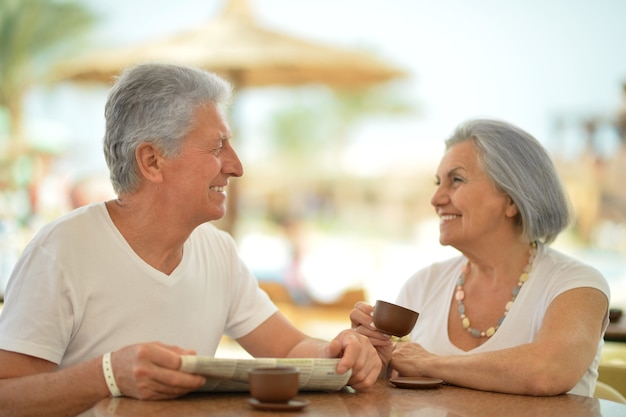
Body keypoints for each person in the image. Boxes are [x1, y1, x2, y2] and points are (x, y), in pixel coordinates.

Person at [0, 63, 381, 417]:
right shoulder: (63, 250)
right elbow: (7, 396)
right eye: (218, 146)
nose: (236, 166)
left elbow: (290, 349)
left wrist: (339, 352)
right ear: (151, 161)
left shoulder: (216, 250)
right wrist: (107, 376)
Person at [350, 118, 610, 397]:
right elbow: (393, 389)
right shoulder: (424, 285)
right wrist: (373, 359)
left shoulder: (576, 284)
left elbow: (547, 372)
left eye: (456, 180)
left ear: (512, 199)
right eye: (439, 182)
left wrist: (431, 363)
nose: (436, 198)